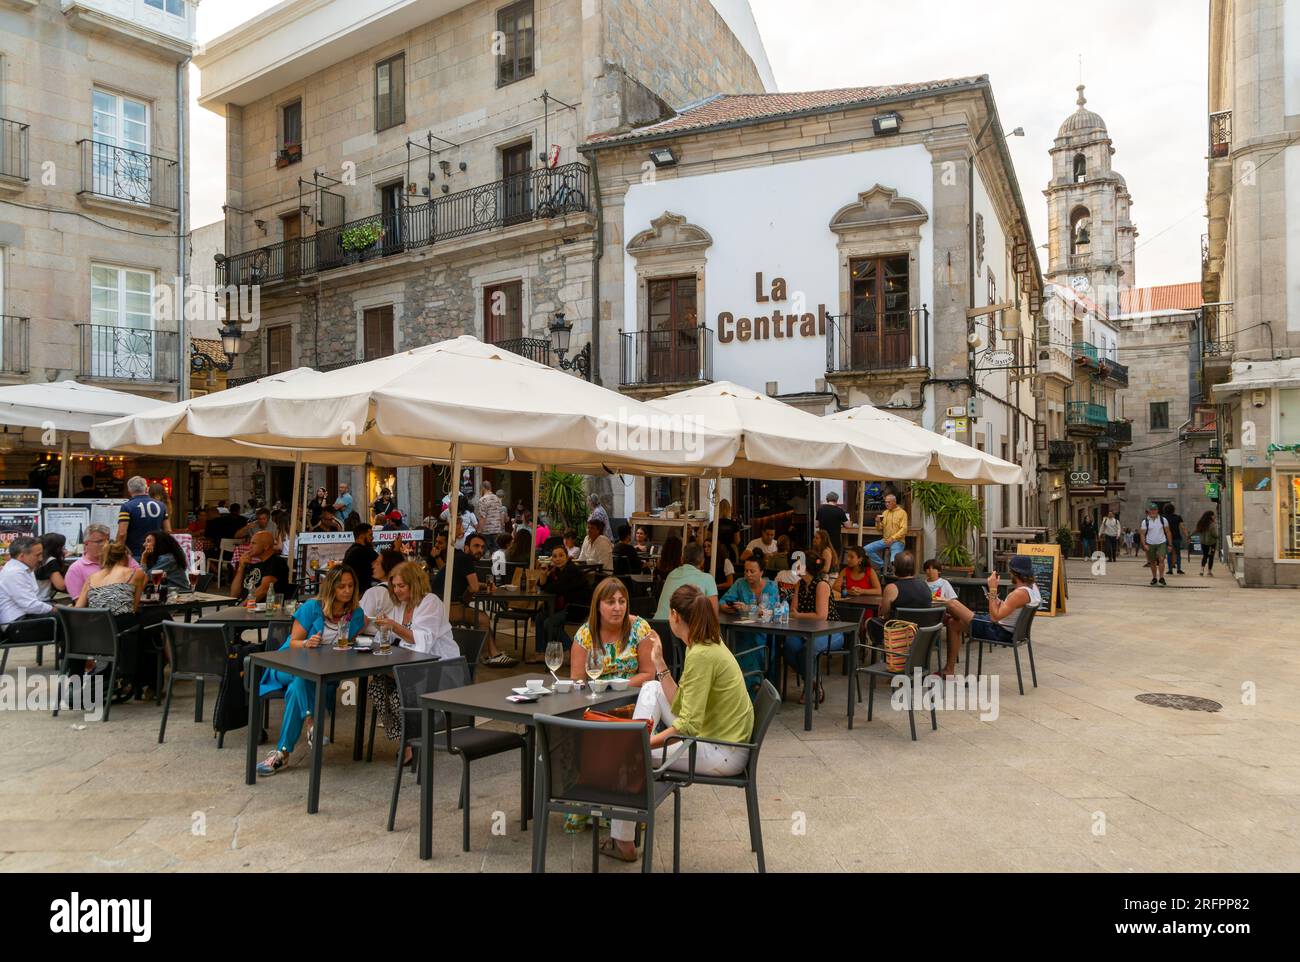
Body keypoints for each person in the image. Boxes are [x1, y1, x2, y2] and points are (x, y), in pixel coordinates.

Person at [603, 584, 753, 862]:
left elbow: (687, 725)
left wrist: (643, 744)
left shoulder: (701, 655)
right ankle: (634, 739)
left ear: (674, 615)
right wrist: (659, 663)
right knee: (651, 688)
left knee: (628, 756)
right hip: (720, 736)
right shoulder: (705, 644)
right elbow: (682, 705)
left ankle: (622, 841)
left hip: (721, 750)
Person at [256, 566, 366, 776]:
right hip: (287, 665)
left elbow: (353, 639)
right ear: (331, 587)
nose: (347, 590)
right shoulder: (311, 607)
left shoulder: (356, 614)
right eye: (341, 586)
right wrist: (307, 642)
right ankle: (311, 722)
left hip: (320, 673)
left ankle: (282, 754)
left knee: (299, 685)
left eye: (351, 586)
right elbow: (294, 642)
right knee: (300, 676)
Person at [369, 562, 459, 761]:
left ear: (414, 583)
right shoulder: (400, 605)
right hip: (410, 667)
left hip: (439, 667)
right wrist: (383, 627)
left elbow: (423, 641)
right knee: (377, 686)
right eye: (394, 585)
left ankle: (412, 741)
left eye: (402, 585)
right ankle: (405, 739)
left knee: (398, 695)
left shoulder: (430, 602)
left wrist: (393, 627)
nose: (396, 590)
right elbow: (388, 639)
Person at [943, 555, 1041, 676]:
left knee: (952, 603)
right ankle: (949, 670)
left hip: (998, 631)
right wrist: (997, 600)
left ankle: (943, 618)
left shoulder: (1019, 594)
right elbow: (1010, 609)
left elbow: (995, 617)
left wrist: (993, 589)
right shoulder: (1033, 589)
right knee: (953, 623)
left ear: (1014, 573)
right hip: (1007, 630)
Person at [431, 531, 518, 667]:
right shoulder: (465, 559)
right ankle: (489, 655)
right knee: (483, 618)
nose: (480, 550)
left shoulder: (459, 557)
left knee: (481, 617)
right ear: (466, 547)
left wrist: (482, 586)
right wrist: (478, 589)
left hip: (440, 605)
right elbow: (474, 587)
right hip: (446, 608)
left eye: (482, 547)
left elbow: (470, 584)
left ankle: (492, 653)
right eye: (476, 546)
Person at [76, 540, 148, 701]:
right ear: (125, 557)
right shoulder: (134, 574)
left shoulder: (91, 577)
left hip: (94, 634)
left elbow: (78, 608)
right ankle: (142, 681)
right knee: (151, 630)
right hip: (119, 632)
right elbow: (134, 607)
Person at [785, 550, 845, 705]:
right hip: (806, 630)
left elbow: (821, 616)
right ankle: (813, 681)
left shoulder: (821, 585)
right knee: (789, 647)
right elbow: (793, 610)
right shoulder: (800, 584)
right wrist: (797, 615)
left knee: (808, 649)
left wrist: (799, 616)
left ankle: (809, 685)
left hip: (831, 631)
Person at [569, 577, 654, 685]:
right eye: (611, 602)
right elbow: (578, 681)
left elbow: (648, 674)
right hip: (597, 698)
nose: (617, 608)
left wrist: (615, 688)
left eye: (622, 601)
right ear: (598, 606)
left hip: (634, 697)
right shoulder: (584, 635)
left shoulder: (640, 628)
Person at [532, 545, 589, 662]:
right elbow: (542, 585)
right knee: (539, 617)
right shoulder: (556, 571)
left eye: (561, 555)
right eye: (555, 556)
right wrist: (543, 573)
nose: (558, 559)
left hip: (576, 608)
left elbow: (554, 588)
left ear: (567, 557)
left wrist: (547, 584)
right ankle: (541, 652)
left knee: (549, 623)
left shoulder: (571, 570)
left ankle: (572, 649)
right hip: (562, 608)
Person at [64, 523, 139, 600]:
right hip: (95, 610)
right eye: (99, 541)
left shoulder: (121, 557)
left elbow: (141, 577)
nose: (105, 545)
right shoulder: (76, 569)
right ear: (86, 544)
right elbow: (80, 605)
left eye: (107, 541)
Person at [654, 541, 719, 619]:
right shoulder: (708, 579)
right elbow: (714, 614)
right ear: (702, 561)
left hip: (658, 625)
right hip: (683, 628)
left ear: (682, 559)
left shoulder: (672, 574)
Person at [0, 536, 54, 627]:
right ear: (22, 556)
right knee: (66, 620)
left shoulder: (25, 569)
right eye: (37, 555)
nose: (40, 559)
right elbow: (30, 605)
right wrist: (54, 609)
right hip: (16, 623)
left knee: (65, 618)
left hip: (24, 617)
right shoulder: (14, 572)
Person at [117, 475, 168, 561]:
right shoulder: (161, 506)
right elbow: (167, 531)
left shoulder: (127, 507)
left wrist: (118, 552)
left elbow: (122, 534)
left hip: (134, 553)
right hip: (156, 552)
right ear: (146, 489)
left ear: (129, 490)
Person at [230, 531, 288, 602]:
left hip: (259, 609)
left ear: (266, 546)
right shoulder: (252, 565)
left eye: (253, 543)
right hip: (242, 607)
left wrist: (241, 607)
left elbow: (263, 590)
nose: (249, 546)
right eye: (250, 543)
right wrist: (241, 568)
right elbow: (233, 594)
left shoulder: (276, 562)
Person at [359, 548, 407, 625]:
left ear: (388, 566)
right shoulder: (406, 592)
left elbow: (360, 623)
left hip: (370, 636)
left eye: (377, 563)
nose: (373, 565)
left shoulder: (374, 593)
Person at [865, 493, 908, 573]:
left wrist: (893, 538)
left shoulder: (902, 513)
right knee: (867, 549)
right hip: (885, 540)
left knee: (893, 562)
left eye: (889, 502)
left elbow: (904, 529)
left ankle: (891, 573)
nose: (886, 504)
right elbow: (880, 528)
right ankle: (883, 565)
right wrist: (877, 522)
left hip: (897, 541)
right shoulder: (885, 513)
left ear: (894, 502)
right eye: (886, 502)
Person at [1139, 503, 1172, 587]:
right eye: (1151, 510)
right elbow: (1142, 534)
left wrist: (1170, 544)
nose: (1153, 511)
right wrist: (1144, 544)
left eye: (1155, 510)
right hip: (1150, 543)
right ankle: (1154, 578)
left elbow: (1168, 532)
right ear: (1149, 511)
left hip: (1161, 542)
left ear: (1157, 510)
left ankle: (1161, 577)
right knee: (1152, 562)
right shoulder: (1145, 521)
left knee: (1161, 559)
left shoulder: (1163, 520)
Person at [342, 524, 378, 595]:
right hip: (361, 592)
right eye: (370, 535)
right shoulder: (363, 551)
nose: (372, 538)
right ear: (362, 536)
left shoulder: (351, 550)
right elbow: (385, 563)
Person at [34, 533, 68, 602]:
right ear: (56, 548)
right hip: (42, 601)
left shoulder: (38, 559)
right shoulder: (51, 561)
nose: (64, 549)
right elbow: (61, 586)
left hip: (33, 599)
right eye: (62, 547)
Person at [815, 490, 849, 557]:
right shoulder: (839, 510)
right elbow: (847, 525)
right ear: (836, 500)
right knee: (834, 556)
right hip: (834, 539)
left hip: (823, 538)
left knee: (823, 556)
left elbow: (816, 525)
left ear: (827, 499)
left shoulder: (820, 509)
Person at [1163, 503, 1188, 575]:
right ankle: (1179, 569)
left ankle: (1170, 570)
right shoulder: (1178, 517)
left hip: (1167, 538)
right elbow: (1183, 528)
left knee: (1169, 554)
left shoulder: (1163, 518)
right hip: (1177, 538)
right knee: (1178, 554)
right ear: (1173, 509)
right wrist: (1187, 536)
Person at [1195, 510, 1219, 576]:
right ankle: (1209, 571)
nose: (1215, 516)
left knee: (1205, 556)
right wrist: (1218, 536)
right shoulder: (1212, 524)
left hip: (1203, 543)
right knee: (1211, 556)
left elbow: (1197, 531)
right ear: (1210, 516)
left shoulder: (1201, 523)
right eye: (1213, 515)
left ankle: (1202, 570)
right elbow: (1214, 534)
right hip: (1212, 543)